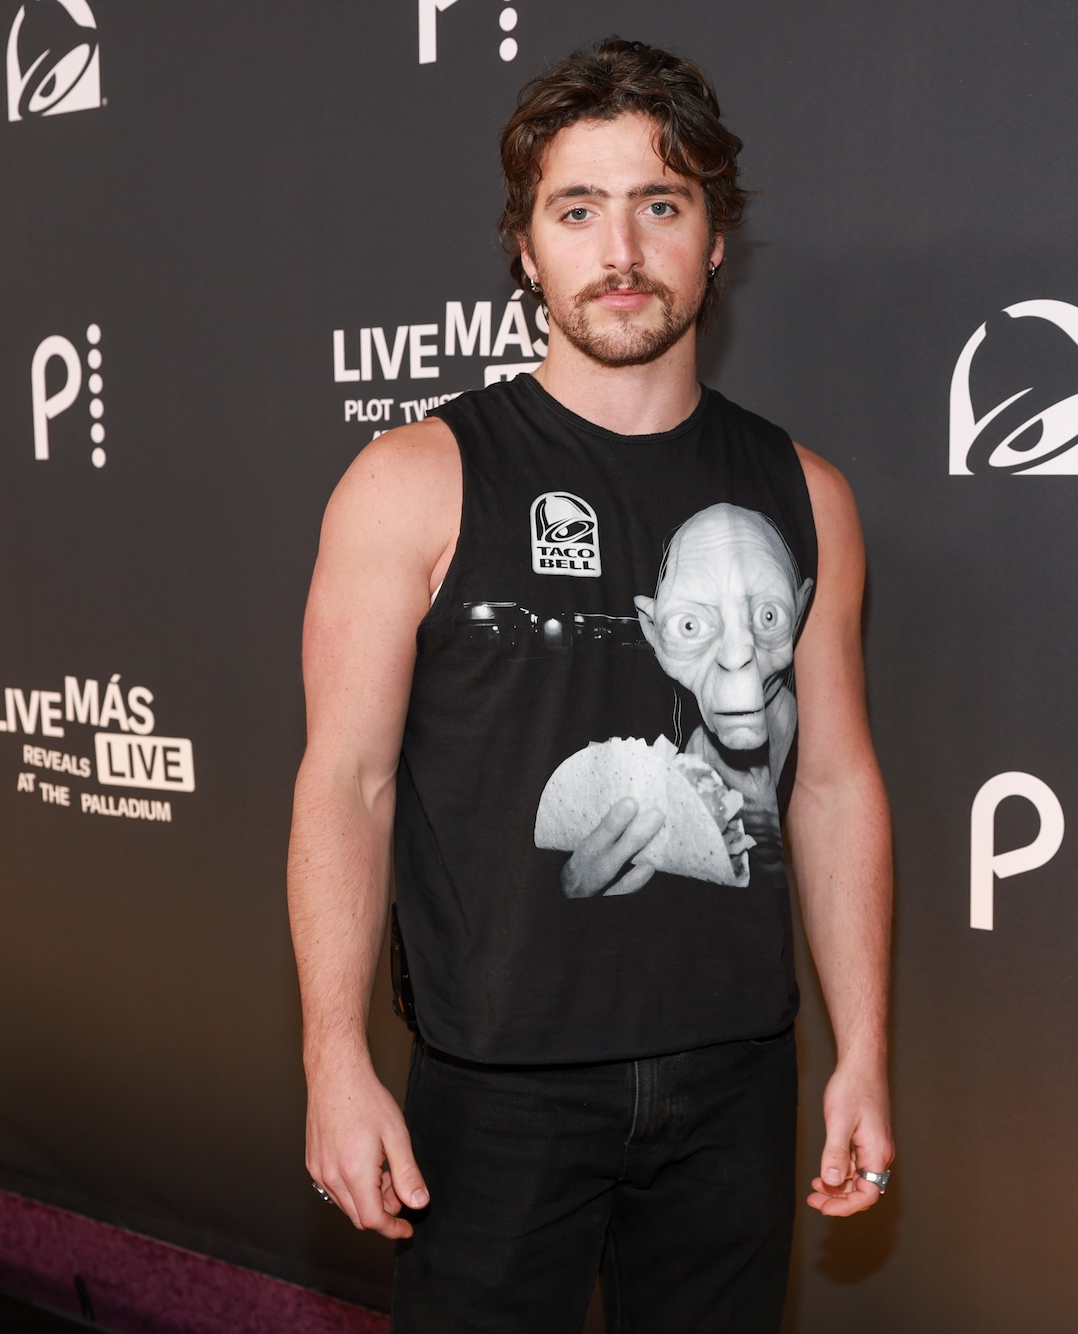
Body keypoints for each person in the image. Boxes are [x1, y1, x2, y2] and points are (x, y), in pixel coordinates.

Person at [286, 36, 894, 1333]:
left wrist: (864, 1053)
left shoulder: (809, 497)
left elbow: (834, 784)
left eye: (660, 205)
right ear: (526, 248)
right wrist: (333, 1057)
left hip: (738, 1080)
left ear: (715, 240)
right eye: (578, 210)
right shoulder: (412, 483)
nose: (621, 250)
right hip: (496, 1089)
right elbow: (347, 782)